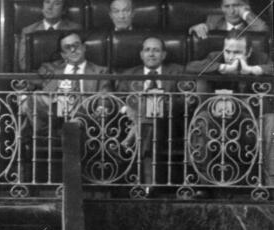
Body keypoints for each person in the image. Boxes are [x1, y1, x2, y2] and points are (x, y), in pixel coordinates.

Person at [186, 34, 272, 188]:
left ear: (249, 52)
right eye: (228, 51)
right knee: (201, 119)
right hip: (216, 115)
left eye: (237, 52)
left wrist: (253, 69)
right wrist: (222, 67)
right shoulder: (215, 57)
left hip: (249, 117)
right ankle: (203, 184)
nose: (231, 56)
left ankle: (268, 184)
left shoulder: (261, 58)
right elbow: (191, 66)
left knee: (270, 121)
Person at [116, 36, 184, 187]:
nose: (151, 54)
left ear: (164, 55)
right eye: (147, 50)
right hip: (132, 122)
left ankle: (131, 139)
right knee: (147, 123)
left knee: (150, 114)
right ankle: (149, 184)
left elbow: (182, 100)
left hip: (168, 125)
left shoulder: (176, 72)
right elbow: (118, 99)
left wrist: (162, 107)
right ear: (141, 54)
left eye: (156, 50)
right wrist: (127, 109)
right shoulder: (129, 75)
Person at [24, 30, 111, 130]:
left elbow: (105, 96)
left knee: (79, 117)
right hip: (54, 116)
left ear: (84, 48)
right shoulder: (50, 69)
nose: (73, 50)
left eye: (76, 45)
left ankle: (72, 126)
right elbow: (28, 84)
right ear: (63, 54)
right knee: (35, 97)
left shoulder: (100, 71)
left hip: (85, 117)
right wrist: (23, 94)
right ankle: (45, 134)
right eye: (68, 47)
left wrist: (101, 108)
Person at [17, 0, 82, 71]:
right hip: (37, 77)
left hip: (64, 77)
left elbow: (77, 60)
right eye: (47, 2)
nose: (49, 7)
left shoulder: (75, 29)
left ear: (63, 10)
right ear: (42, 7)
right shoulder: (29, 31)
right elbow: (23, 64)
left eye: (56, 4)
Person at [188, 0, 268, 39]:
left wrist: (246, 14)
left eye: (236, 6)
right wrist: (196, 28)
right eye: (227, 6)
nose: (231, 11)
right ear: (222, 8)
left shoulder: (252, 24)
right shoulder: (213, 20)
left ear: (246, 7)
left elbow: (262, 28)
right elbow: (197, 30)